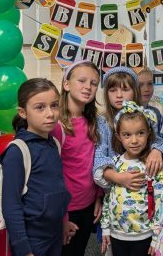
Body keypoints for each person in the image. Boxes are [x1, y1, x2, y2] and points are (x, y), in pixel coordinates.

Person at [1, 78, 70, 256]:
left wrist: (64, 221)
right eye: (40, 107)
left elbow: (57, 188)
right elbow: (11, 205)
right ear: (23, 112)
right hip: (32, 240)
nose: (50, 114)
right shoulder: (17, 151)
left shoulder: (54, 143)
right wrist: (23, 249)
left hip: (54, 234)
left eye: (54, 105)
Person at [100, 101, 163, 256]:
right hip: (116, 234)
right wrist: (105, 227)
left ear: (148, 133)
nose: (134, 140)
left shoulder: (153, 164)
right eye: (127, 135)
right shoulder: (115, 163)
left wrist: (156, 236)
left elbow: (161, 202)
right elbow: (108, 196)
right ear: (118, 136)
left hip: (144, 235)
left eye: (140, 133)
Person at [52, 60, 104, 255]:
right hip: (65, 209)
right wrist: (62, 217)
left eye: (93, 83)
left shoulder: (94, 122)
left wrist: (98, 196)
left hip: (88, 205)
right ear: (66, 84)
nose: (88, 87)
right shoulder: (56, 125)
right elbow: (51, 174)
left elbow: (96, 161)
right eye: (82, 81)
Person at [93, 66, 163, 190]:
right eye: (113, 90)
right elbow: (99, 157)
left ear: (135, 91)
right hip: (117, 188)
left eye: (125, 89)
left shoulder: (144, 117)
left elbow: (158, 141)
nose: (119, 95)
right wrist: (118, 177)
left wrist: (157, 151)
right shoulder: (103, 122)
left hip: (144, 185)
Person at [138, 67, 163, 136]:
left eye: (150, 84)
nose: (146, 89)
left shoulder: (156, 113)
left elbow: (158, 138)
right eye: (140, 85)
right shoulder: (125, 114)